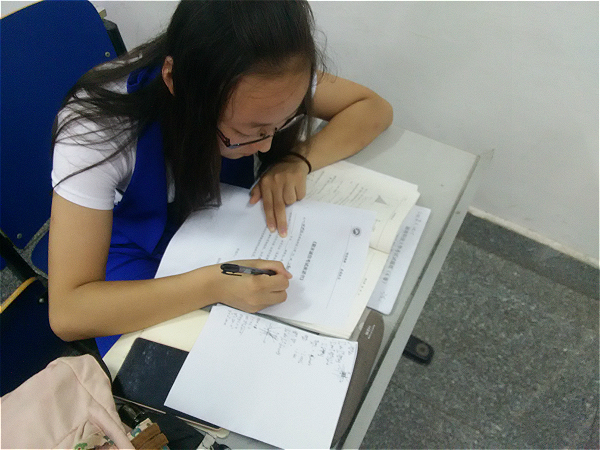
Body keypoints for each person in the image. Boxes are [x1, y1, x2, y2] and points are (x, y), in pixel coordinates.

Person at [48, 0, 393, 355]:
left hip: (218, 223)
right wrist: (212, 285)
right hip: (136, 246)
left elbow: (373, 109)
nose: (266, 146)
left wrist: (297, 159)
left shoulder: (274, 77)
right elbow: (68, 312)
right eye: (249, 131)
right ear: (174, 81)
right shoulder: (94, 129)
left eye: (282, 123)